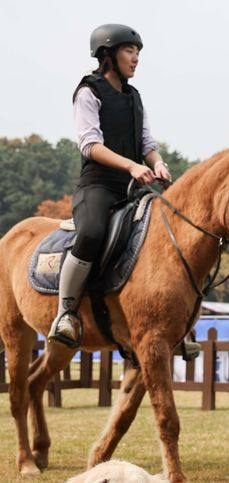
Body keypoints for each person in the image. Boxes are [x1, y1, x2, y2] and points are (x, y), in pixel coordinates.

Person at [48, 23, 201, 358]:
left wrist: (157, 163)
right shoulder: (88, 91)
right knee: (91, 234)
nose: (135, 58)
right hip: (99, 186)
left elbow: (147, 142)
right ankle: (66, 313)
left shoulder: (134, 97)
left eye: (137, 53)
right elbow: (90, 145)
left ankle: (179, 324)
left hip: (136, 187)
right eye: (130, 51)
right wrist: (131, 166)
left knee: (169, 235)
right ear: (108, 54)